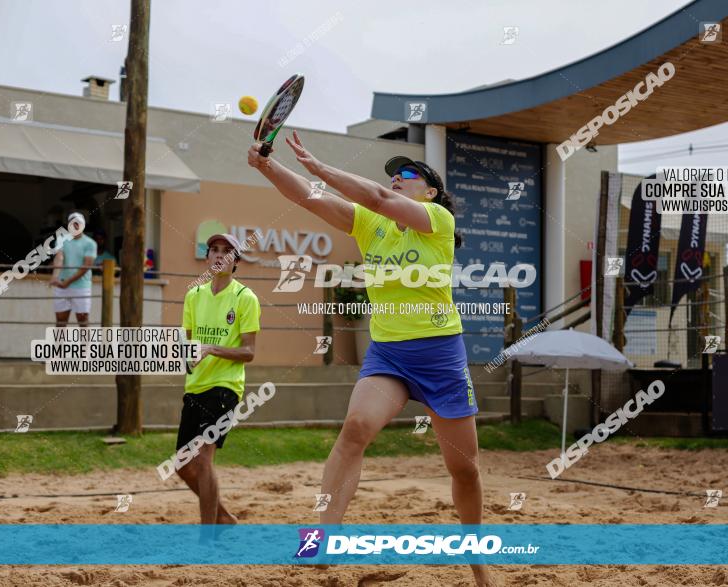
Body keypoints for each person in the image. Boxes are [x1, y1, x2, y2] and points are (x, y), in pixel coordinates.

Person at [248, 132, 496, 587]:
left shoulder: (435, 221)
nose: (397, 180)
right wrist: (267, 166)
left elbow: (377, 195)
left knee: (464, 468)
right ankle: (324, 534)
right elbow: (308, 197)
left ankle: (477, 558)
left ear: (431, 192)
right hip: (389, 355)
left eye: (408, 175)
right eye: (395, 175)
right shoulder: (371, 224)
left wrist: (321, 166)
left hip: (440, 355)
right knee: (356, 428)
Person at [175, 233, 261, 525]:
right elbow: (188, 344)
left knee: (202, 458)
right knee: (182, 465)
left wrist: (211, 349)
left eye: (227, 251)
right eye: (214, 250)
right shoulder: (193, 295)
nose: (220, 255)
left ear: (236, 261)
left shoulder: (245, 298)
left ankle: (208, 536)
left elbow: (249, 352)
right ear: (207, 257)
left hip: (225, 387)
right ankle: (224, 517)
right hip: (195, 385)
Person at [50, 212, 96, 327]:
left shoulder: (90, 243)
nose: (75, 226)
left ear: (83, 225)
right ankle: (59, 346)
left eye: (78, 223)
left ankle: (85, 346)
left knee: (83, 320)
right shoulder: (61, 240)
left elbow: (86, 266)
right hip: (61, 285)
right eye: (73, 223)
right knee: (60, 321)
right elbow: (59, 257)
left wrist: (68, 282)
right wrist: (55, 277)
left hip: (81, 287)